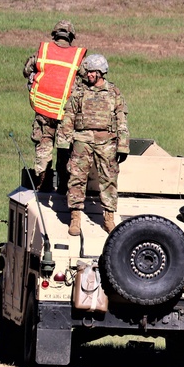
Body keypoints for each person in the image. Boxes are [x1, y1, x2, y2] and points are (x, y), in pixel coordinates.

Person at [56, 54, 129, 236]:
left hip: (107, 141)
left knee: (109, 179)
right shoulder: (79, 92)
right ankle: (75, 218)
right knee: (77, 177)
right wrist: (63, 143)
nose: (89, 75)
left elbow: (121, 119)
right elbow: (69, 116)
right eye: (87, 72)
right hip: (82, 140)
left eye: (92, 72)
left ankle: (108, 218)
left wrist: (123, 145)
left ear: (101, 72)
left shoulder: (113, 92)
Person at [23, 20, 87, 186]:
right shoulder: (77, 56)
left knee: (43, 145)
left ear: (54, 35)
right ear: (71, 37)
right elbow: (87, 77)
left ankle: (41, 181)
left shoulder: (43, 51)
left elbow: (27, 70)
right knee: (64, 148)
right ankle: (63, 185)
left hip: (43, 109)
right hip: (65, 111)